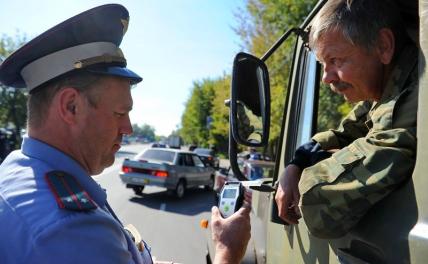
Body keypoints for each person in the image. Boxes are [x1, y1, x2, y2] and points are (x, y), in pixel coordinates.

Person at [0, 4, 251, 263]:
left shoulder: (16, 169)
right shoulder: (75, 231)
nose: (128, 129)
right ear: (71, 107)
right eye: (120, 113)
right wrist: (227, 251)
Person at [275, 0, 418, 238]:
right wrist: (297, 162)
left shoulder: (415, 91)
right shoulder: (382, 92)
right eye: (322, 64)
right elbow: (346, 132)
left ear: (383, 46)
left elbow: (318, 204)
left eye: (335, 60)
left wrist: (305, 177)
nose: (326, 78)